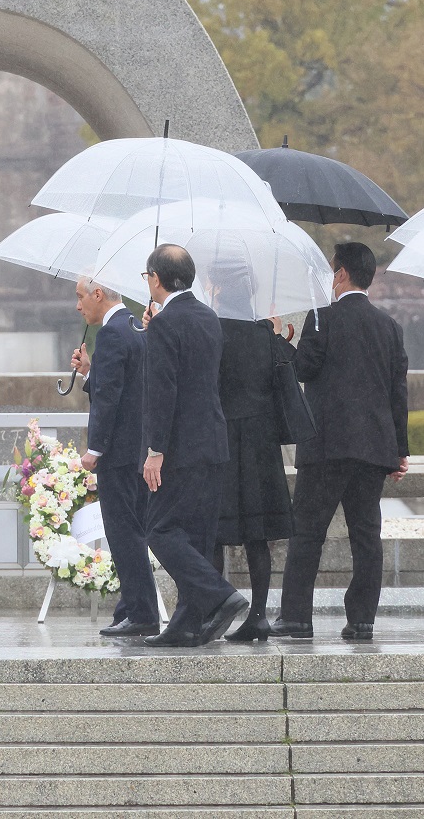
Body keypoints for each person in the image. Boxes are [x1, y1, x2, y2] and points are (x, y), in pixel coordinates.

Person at [271, 242, 408, 642]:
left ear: (342, 274)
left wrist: (283, 340)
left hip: (327, 445)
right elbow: (397, 394)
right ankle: (362, 619)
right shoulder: (389, 327)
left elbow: (305, 368)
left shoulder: (322, 317)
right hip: (372, 449)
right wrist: (399, 451)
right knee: (366, 535)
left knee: (308, 532)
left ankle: (296, 618)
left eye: (332, 271)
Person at [140, 244, 248, 647]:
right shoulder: (208, 317)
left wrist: (155, 450)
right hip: (212, 443)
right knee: (198, 537)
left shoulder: (166, 324)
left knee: (160, 529)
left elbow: (164, 391)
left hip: (179, 450)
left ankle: (221, 595)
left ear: (156, 278)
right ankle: (186, 624)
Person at [70, 277, 159, 638]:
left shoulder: (109, 333)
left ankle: (142, 614)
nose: (78, 306)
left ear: (98, 294)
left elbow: (108, 399)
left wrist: (94, 449)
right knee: (132, 531)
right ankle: (131, 607)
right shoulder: (136, 328)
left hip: (119, 454)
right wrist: (90, 371)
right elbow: (122, 384)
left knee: (124, 535)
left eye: (80, 297)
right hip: (137, 449)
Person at [211, 307, 295, 642]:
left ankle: (211, 611)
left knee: (214, 530)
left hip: (225, 437)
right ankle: (258, 616)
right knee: (257, 533)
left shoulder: (213, 330)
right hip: (261, 441)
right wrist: (274, 336)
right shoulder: (264, 333)